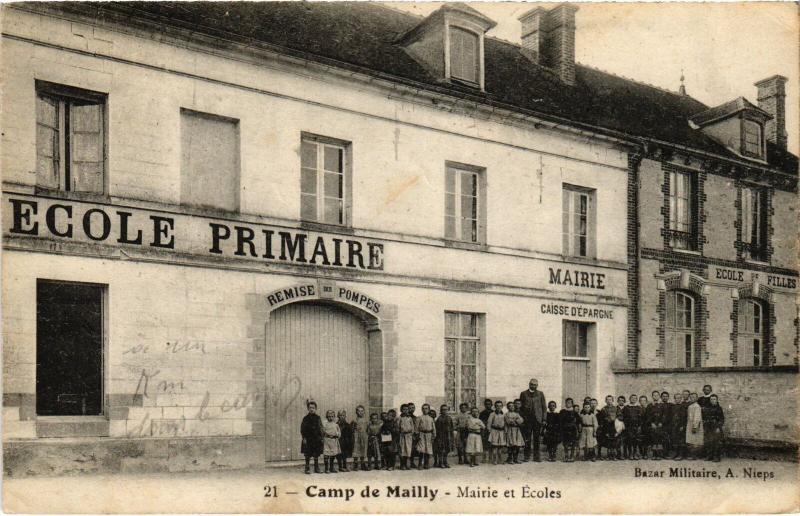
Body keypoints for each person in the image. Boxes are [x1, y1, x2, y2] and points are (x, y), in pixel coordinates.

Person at [519, 378, 547, 462]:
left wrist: (544, 419)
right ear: (529, 384)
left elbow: (544, 407)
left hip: (537, 420)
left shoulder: (540, 394)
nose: (533, 386)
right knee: (527, 438)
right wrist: (522, 418)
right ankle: (526, 456)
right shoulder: (523, 393)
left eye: (535, 385)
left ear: (537, 385)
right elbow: (521, 407)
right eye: (532, 384)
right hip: (527, 420)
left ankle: (536, 457)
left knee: (537, 439)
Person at [300, 400, 324, 474]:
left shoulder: (318, 418)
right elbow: (302, 429)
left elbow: (321, 428)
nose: (311, 409)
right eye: (310, 408)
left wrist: (321, 437)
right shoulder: (305, 418)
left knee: (316, 454)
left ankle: (316, 468)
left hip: (316, 439)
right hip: (308, 439)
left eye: (313, 408)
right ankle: (307, 468)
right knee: (307, 454)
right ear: (308, 409)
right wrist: (304, 438)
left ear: (315, 409)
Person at [702, 394, 725, 462]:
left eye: (714, 399)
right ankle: (709, 456)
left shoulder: (719, 408)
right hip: (708, 427)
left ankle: (716, 457)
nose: (713, 401)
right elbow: (705, 418)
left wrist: (718, 427)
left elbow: (722, 419)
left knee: (716, 442)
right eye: (711, 399)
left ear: (717, 400)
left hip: (716, 427)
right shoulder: (707, 408)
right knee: (709, 442)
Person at [415, 403, 436, 469]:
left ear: (429, 410)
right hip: (422, 434)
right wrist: (417, 435)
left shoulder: (431, 418)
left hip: (429, 435)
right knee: (421, 449)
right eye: (423, 409)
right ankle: (420, 464)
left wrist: (434, 435)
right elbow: (416, 427)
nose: (425, 410)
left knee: (428, 449)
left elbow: (433, 428)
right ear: (421, 409)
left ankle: (426, 463)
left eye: (426, 408)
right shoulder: (419, 418)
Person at [622, 394, 643, 460]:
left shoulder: (639, 407)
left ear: (636, 399)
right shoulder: (626, 407)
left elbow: (641, 418)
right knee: (629, 440)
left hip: (636, 426)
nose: (633, 399)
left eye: (635, 398)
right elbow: (623, 417)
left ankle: (635, 453)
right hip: (629, 427)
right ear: (629, 399)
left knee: (635, 440)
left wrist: (639, 426)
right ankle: (630, 454)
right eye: (632, 398)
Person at [559, 398, 580, 462]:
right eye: (567, 402)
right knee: (565, 443)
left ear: (572, 404)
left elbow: (579, 421)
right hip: (565, 429)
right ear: (565, 403)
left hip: (572, 429)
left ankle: (572, 456)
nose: (568, 404)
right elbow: (560, 421)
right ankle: (566, 456)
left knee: (573, 443)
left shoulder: (574, 412)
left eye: (570, 403)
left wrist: (578, 428)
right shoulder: (562, 411)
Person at [486, 400, 507, 465]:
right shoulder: (492, 414)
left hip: (501, 432)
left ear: (502, 407)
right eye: (497, 406)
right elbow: (489, 423)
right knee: (495, 447)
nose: (499, 407)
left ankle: (500, 459)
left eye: (500, 406)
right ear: (495, 407)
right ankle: (494, 460)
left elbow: (506, 423)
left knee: (500, 447)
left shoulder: (504, 415)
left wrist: (505, 431)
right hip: (494, 431)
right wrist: (489, 430)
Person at [596, 395, 616, 460]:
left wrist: (615, 419)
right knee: (608, 440)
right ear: (605, 401)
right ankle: (608, 455)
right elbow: (601, 419)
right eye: (607, 400)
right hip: (607, 427)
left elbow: (619, 416)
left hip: (614, 427)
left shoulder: (616, 408)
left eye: (610, 399)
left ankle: (613, 455)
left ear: (612, 400)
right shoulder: (603, 409)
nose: (609, 401)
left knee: (614, 440)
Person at [685, 393, 704, 460]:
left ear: (696, 398)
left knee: (695, 440)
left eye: (694, 397)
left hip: (694, 426)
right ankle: (692, 454)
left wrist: (695, 426)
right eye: (691, 397)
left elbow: (697, 417)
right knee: (690, 440)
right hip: (690, 424)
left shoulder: (697, 406)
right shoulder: (690, 406)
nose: (692, 398)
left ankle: (695, 455)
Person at [670, 392, 689, 460]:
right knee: (675, 440)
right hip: (674, 426)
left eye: (679, 398)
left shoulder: (683, 407)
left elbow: (684, 417)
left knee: (681, 440)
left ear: (681, 399)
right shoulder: (672, 407)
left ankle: (681, 455)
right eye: (676, 398)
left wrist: (682, 426)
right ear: (674, 399)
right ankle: (676, 453)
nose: (677, 399)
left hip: (680, 426)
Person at [397, 404, 415, 470]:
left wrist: (411, 434)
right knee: (402, 450)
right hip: (402, 436)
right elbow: (398, 427)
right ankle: (402, 464)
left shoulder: (409, 418)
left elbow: (412, 427)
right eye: (404, 409)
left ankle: (406, 464)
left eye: (407, 409)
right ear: (401, 410)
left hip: (408, 436)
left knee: (408, 450)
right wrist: (399, 433)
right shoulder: (399, 418)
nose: (405, 411)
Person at [351, 405, 369, 471]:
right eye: (359, 411)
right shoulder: (354, 420)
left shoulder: (366, 421)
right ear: (356, 412)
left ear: (364, 412)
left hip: (364, 436)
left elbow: (368, 429)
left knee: (363, 449)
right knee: (356, 449)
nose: (360, 412)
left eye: (362, 411)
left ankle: (363, 464)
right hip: (356, 436)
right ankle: (355, 465)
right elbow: (352, 429)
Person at [479, 398, 494, 463]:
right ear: (484, 405)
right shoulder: (482, 413)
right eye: (486, 404)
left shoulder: (494, 412)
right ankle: (484, 458)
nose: (488, 405)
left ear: (491, 405)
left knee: (492, 444)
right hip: (485, 431)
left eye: (489, 404)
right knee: (485, 444)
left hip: (493, 430)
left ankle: (491, 458)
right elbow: (481, 422)